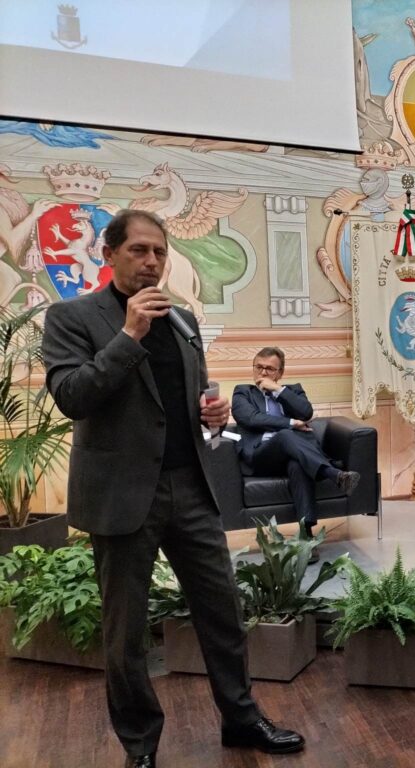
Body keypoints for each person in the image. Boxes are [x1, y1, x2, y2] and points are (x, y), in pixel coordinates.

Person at [42, 210, 305, 768]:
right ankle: (140, 745)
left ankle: (241, 719)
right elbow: (72, 397)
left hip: (190, 486)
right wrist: (129, 335)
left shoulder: (183, 320)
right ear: (109, 254)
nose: (151, 261)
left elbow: (185, 401)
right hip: (121, 495)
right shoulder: (72, 317)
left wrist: (212, 416)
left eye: (159, 251)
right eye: (138, 250)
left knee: (223, 612)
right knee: (126, 632)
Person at [231, 347, 359, 562]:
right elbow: (251, 418)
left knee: (298, 465)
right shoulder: (243, 392)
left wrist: (278, 390)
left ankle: (306, 538)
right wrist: (290, 423)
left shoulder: (293, 391)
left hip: (293, 455)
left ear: (280, 373)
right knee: (285, 435)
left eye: (270, 369)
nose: (263, 373)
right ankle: (332, 473)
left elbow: (306, 412)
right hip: (262, 456)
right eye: (259, 367)